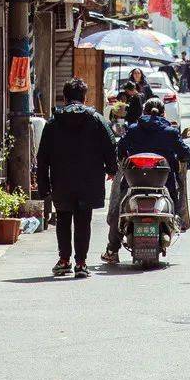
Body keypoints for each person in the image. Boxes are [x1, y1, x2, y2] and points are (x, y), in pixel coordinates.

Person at [35, 77, 117, 278]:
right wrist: (112, 169)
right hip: (89, 180)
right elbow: (110, 144)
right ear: (84, 96)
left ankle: (64, 260)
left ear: (65, 96)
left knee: (63, 219)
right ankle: (81, 263)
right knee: (83, 220)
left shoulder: (54, 122)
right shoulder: (96, 119)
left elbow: (42, 155)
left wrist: (43, 184)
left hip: (61, 180)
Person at [102, 98, 190, 264]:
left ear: (143, 112)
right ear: (163, 113)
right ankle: (174, 223)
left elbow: (121, 150)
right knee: (174, 202)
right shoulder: (170, 132)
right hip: (164, 184)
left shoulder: (132, 130)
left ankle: (112, 250)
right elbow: (185, 153)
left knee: (120, 210)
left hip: (133, 182)